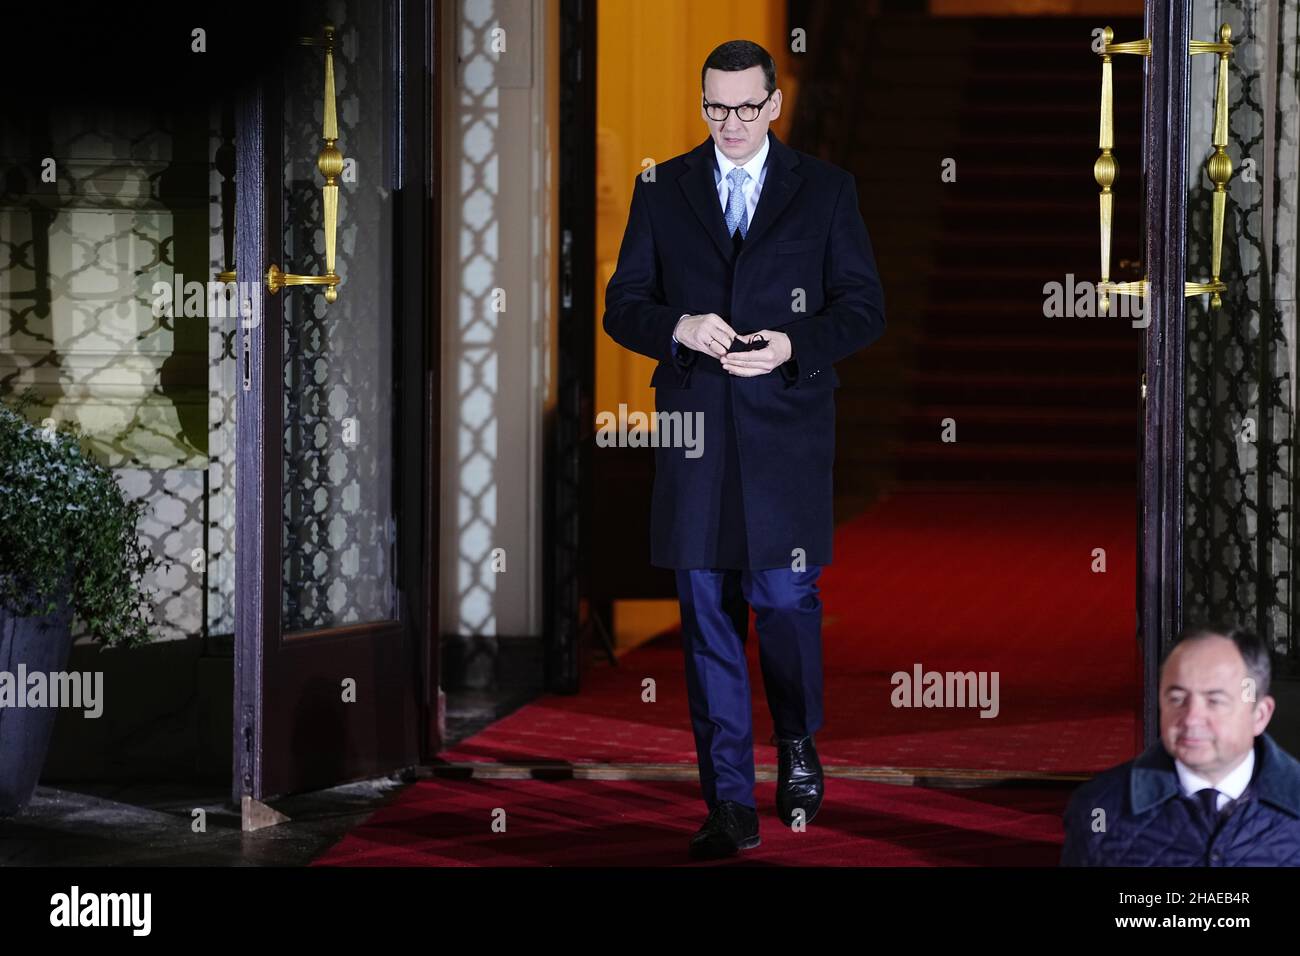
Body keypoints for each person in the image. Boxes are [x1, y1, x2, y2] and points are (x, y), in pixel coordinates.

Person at [601, 39, 886, 859]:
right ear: (704, 104)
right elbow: (625, 305)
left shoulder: (828, 191)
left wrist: (796, 344)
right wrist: (679, 327)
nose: (728, 123)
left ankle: (797, 737)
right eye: (714, 107)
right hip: (694, 435)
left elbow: (863, 308)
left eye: (744, 108)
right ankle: (728, 804)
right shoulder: (662, 189)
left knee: (787, 603)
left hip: (787, 430)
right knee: (707, 620)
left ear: (773, 106)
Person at [1061, 624, 1300, 865]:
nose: (1191, 718)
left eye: (1214, 701)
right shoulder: (1100, 808)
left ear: (1259, 715)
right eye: (1177, 699)